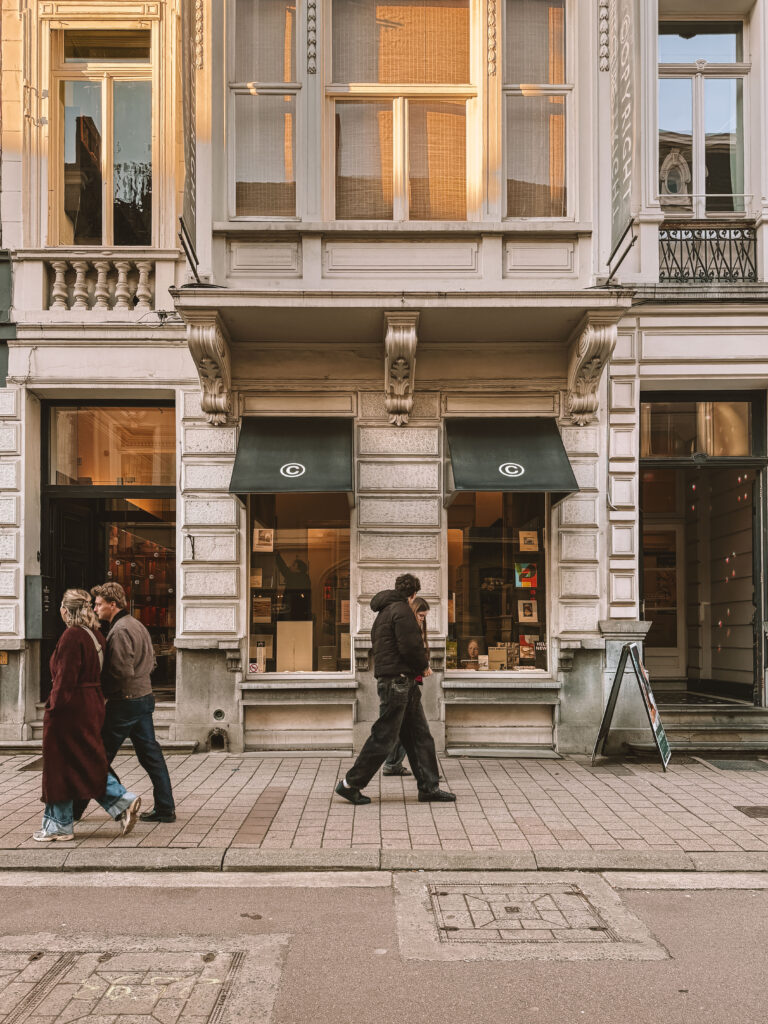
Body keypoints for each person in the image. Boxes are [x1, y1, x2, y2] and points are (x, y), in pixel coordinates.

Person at [335, 573, 455, 805]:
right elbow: (410, 646)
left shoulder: (383, 614)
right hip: (398, 683)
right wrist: (424, 666)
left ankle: (429, 787)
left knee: (420, 736)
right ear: (413, 594)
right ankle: (350, 784)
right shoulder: (402, 612)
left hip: (398, 683)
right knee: (384, 737)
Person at [34, 589, 141, 842]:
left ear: (67, 610)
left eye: (61, 606)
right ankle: (61, 822)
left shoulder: (72, 635)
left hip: (70, 709)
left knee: (61, 765)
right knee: (80, 762)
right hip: (90, 704)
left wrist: (53, 709)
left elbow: (65, 679)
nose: (59, 610)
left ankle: (62, 824)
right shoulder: (95, 635)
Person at [90, 582, 176, 824]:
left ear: (112, 604)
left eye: (99, 604)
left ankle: (101, 805)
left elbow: (120, 672)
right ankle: (165, 808)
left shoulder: (119, 631)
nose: (96, 609)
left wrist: (103, 693)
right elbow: (153, 663)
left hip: (125, 701)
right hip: (144, 697)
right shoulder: (138, 625)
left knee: (96, 756)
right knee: (151, 757)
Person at [382, 595, 432, 777]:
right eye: (421, 615)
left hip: (409, 681)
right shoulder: (406, 628)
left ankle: (394, 763)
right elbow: (409, 653)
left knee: (405, 727)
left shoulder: (409, 627)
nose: (422, 619)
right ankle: (423, 771)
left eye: (424, 616)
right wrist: (423, 667)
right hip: (404, 682)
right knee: (415, 729)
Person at [275, 552, 312, 620]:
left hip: (291, 609)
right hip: (302, 611)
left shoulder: (292, 576)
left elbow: (283, 567)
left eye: (293, 565)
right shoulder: (306, 578)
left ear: (298, 569)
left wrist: (276, 554)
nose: (290, 567)